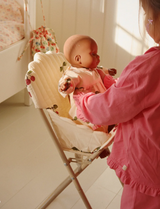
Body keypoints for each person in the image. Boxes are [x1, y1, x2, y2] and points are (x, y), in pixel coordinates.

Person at [72, 0, 160, 208]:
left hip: (148, 164)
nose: (147, 23)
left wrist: (82, 99)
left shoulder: (148, 66)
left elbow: (110, 107)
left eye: (148, 17)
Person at [58, 34, 116, 132]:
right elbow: (69, 79)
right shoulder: (75, 72)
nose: (98, 56)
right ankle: (101, 133)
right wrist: (66, 85)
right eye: (93, 54)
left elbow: (101, 70)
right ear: (78, 59)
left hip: (101, 105)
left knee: (111, 114)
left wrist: (108, 71)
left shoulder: (93, 69)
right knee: (96, 126)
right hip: (88, 109)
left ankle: (110, 125)